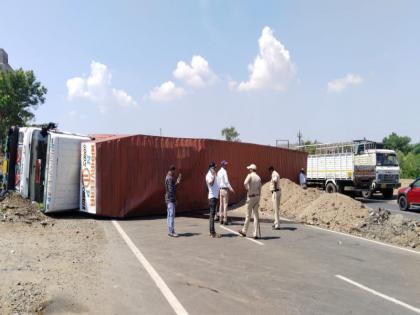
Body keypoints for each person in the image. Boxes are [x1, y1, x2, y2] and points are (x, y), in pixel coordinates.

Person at [238, 164, 262, 239]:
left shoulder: (250, 175)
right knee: (255, 216)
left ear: (251, 169)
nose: (249, 170)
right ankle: (255, 234)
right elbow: (260, 188)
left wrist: (248, 188)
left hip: (251, 197)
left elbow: (245, 183)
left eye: (249, 169)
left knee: (248, 215)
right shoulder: (258, 177)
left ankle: (244, 231)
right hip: (257, 196)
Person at [165, 165, 182, 237]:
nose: (174, 173)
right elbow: (171, 190)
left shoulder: (168, 177)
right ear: (172, 170)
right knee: (171, 215)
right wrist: (174, 200)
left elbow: (172, 187)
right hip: (170, 199)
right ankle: (172, 231)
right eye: (174, 171)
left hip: (168, 198)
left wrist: (177, 181)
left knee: (169, 215)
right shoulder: (170, 178)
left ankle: (170, 231)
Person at [205, 161, 221, 238]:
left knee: (212, 215)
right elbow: (210, 184)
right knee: (212, 215)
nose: (215, 169)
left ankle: (211, 231)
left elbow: (217, 183)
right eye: (214, 167)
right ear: (211, 168)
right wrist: (214, 176)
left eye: (215, 167)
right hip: (212, 197)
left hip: (215, 196)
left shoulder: (213, 174)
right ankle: (212, 233)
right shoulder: (208, 175)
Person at [217, 160, 235, 225]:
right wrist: (231, 188)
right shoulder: (224, 172)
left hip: (220, 189)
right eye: (225, 164)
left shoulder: (218, 172)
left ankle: (220, 219)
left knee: (221, 204)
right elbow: (227, 181)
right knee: (225, 204)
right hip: (225, 189)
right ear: (223, 165)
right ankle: (225, 220)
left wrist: (218, 189)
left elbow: (218, 182)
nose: (226, 165)